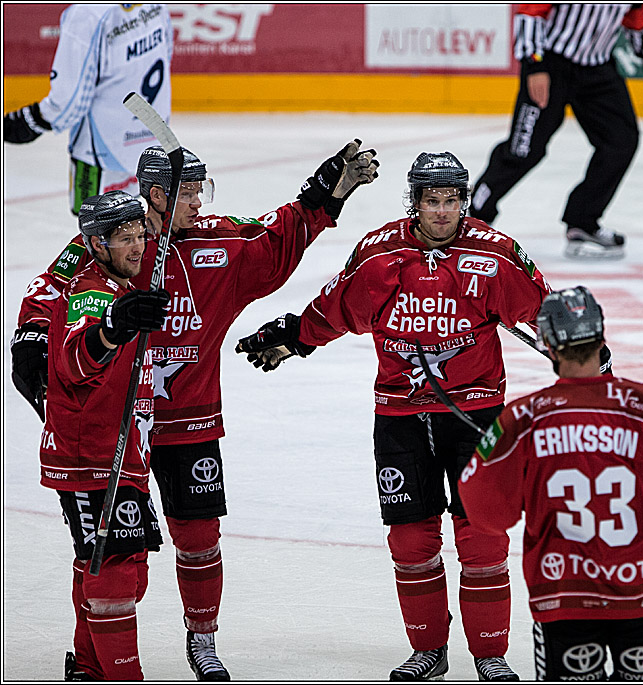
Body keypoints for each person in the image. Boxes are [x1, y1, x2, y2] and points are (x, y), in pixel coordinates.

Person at [15, 141, 378, 680]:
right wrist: (29, 341)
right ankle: (90, 655)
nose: (199, 203)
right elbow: (53, 293)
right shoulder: (114, 242)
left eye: (200, 191)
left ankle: (202, 641)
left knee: (199, 538)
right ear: (156, 195)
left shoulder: (217, 242)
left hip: (189, 418)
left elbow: (273, 240)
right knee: (105, 553)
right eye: (187, 193)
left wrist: (323, 196)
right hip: (116, 430)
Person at [235, 151, 554, 681]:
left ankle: (491, 657)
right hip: (400, 415)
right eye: (432, 201)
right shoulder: (381, 255)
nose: (443, 212)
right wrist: (293, 336)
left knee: (482, 538)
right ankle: (428, 650)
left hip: (476, 416)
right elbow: (336, 308)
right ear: (415, 202)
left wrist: (583, 352)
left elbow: (543, 311)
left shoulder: (495, 255)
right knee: (410, 539)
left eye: (452, 201)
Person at [458, 285, 643, 680]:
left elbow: (485, 511)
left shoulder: (522, 418)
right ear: (601, 337)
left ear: (548, 344)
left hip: (562, 594)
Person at [44, 191, 170, 680]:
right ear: (95, 243)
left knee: (120, 564)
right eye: (124, 238)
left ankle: (91, 665)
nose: (137, 246)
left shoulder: (118, 286)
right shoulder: (92, 293)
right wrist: (113, 328)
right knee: (114, 570)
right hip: (90, 456)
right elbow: (76, 362)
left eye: (139, 234)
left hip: (118, 452)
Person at [470, 3, 643, 260]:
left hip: (597, 68)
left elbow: (636, 17)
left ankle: (582, 221)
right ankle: (475, 214)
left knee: (621, 141)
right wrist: (535, 64)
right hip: (551, 64)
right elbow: (531, 11)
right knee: (524, 150)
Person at [3, 4, 173, 214]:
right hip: (150, 140)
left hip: (100, 151)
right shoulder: (155, 5)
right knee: (133, 225)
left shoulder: (86, 14)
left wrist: (32, 120)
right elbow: (167, 53)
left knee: (96, 230)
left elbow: (69, 99)